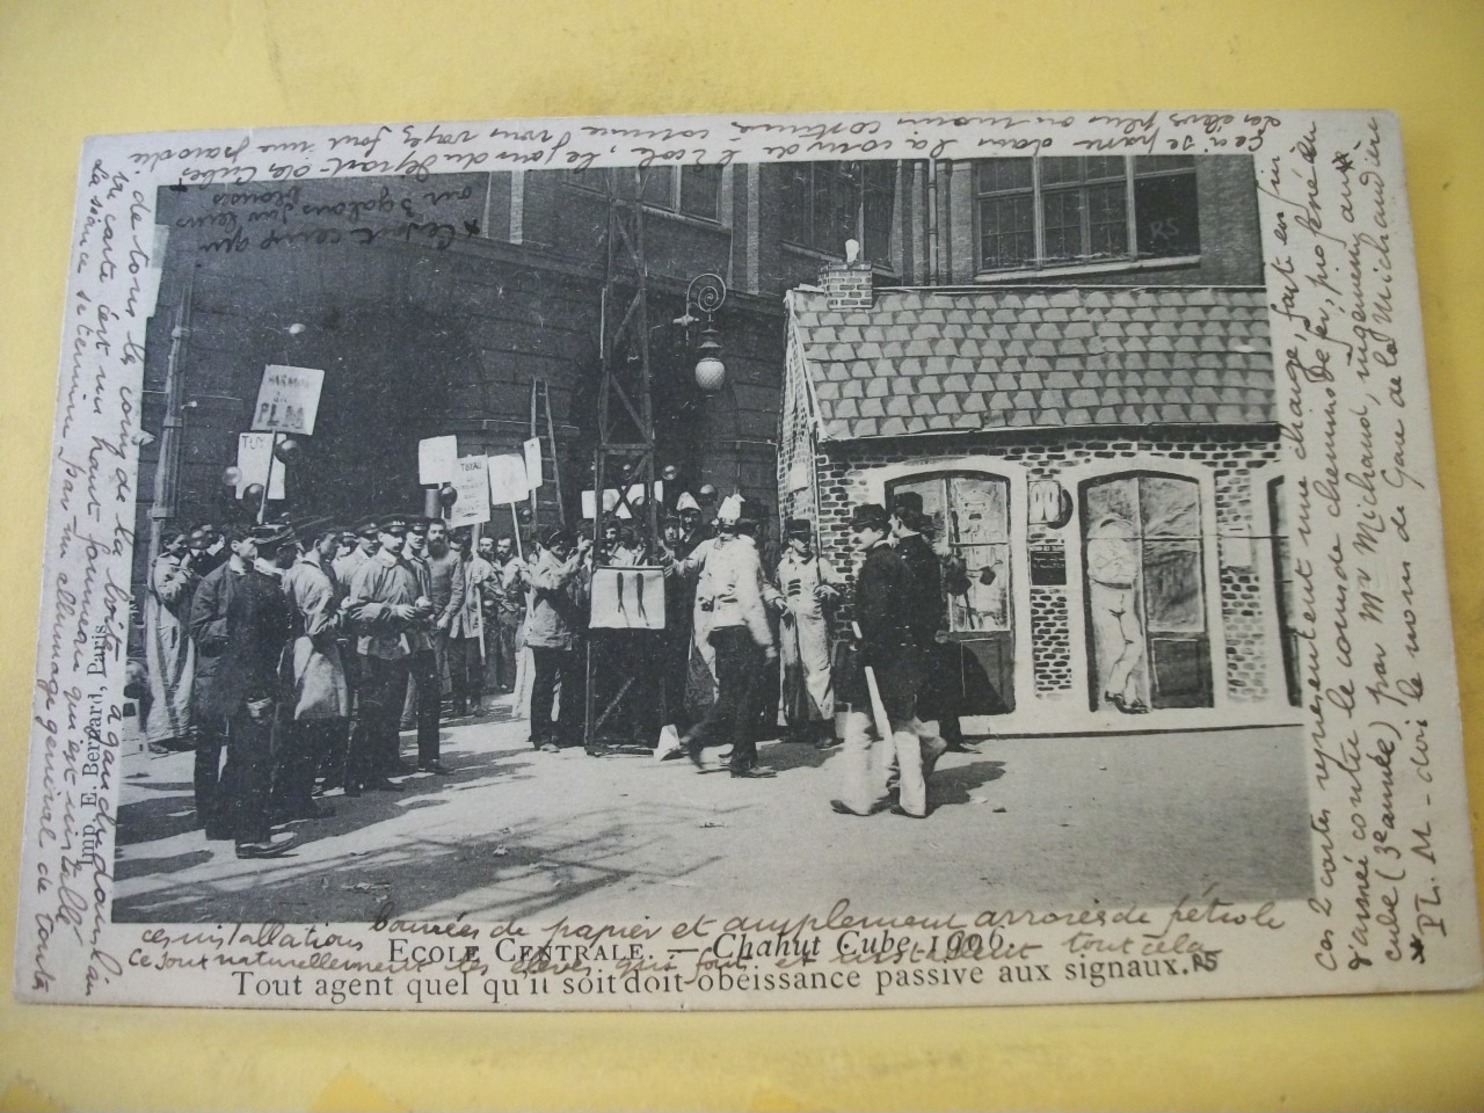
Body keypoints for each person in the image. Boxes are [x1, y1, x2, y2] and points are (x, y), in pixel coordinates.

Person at [188, 523, 298, 858]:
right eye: (292, 547)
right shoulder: (260, 588)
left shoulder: (257, 584)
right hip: (251, 685)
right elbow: (247, 646)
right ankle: (252, 837)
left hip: (241, 683)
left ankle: (221, 821)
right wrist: (255, 695)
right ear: (279, 551)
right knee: (255, 761)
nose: (296, 553)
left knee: (239, 756)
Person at [831, 503, 930, 819]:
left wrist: (864, 651)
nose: (854, 535)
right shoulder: (899, 562)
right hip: (900, 656)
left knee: (859, 729)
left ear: (877, 530)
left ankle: (857, 799)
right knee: (903, 728)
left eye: (860, 529)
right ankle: (915, 802)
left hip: (877, 659)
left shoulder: (876, 566)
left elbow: (875, 618)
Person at [672, 496, 777, 778]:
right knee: (748, 699)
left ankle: (698, 738)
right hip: (742, 630)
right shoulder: (744, 551)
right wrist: (766, 641)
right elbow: (750, 600)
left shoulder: (717, 550)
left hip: (721, 628)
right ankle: (742, 760)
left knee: (731, 696)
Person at [344, 517, 429, 794]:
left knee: (390, 714)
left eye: (401, 534)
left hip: (399, 648)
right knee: (371, 714)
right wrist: (392, 611)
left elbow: (410, 597)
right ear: (380, 537)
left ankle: (378, 771)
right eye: (393, 534)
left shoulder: (406, 566)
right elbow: (357, 609)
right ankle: (354, 775)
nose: (399, 539)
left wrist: (418, 604)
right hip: (374, 650)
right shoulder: (369, 569)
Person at [276, 522, 349, 821]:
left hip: (294, 653)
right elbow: (318, 628)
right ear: (319, 543)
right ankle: (300, 799)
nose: (339, 548)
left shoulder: (293, 572)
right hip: (315, 658)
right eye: (335, 541)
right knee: (312, 731)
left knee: (294, 732)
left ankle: (287, 796)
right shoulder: (318, 579)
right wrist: (344, 614)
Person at [768, 518, 839, 747]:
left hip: (814, 625)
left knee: (818, 673)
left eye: (808, 537)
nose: (806, 542)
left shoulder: (820, 564)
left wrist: (828, 591)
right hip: (789, 626)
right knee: (790, 674)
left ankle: (824, 728)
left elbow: (838, 589)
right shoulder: (783, 566)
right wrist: (778, 601)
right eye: (800, 538)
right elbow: (773, 588)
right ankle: (795, 725)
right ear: (791, 541)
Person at [525, 526, 592, 751]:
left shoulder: (571, 564)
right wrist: (578, 559)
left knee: (571, 687)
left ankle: (566, 733)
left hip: (568, 636)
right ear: (548, 545)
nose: (561, 545)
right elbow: (554, 583)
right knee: (544, 687)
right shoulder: (544, 564)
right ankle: (541, 737)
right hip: (547, 637)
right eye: (556, 542)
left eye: (565, 541)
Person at [1087, 511, 1148, 713]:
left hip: (1125, 594)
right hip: (1105, 593)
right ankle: (1129, 697)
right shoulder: (1095, 546)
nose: (1117, 532)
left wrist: (1122, 566)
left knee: (1136, 642)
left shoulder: (1122, 547)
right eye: (1113, 528)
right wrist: (1116, 566)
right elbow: (1100, 572)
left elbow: (1132, 570)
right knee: (1116, 647)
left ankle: (1114, 689)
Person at [143, 530, 198, 752]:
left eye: (187, 543)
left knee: (183, 680)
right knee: (166, 679)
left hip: (182, 628)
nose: (185, 547)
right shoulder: (163, 566)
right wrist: (184, 571)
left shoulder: (177, 565)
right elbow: (168, 595)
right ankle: (157, 735)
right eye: (180, 543)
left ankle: (177, 732)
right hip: (167, 629)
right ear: (168, 544)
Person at [448, 528, 491, 716]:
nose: (455, 553)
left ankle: (476, 702)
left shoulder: (481, 565)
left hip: (473, 623)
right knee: (455, 667)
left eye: (459, 550)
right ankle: (458, 704)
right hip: (453, 624)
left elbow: (494, 591)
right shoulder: (446, 562)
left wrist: (483, 584)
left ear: (466, 548)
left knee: (474, 664)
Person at [486, 536, 525, 695]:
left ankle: (510, 682)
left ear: (512, 548)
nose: (501, 550)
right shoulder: (494, 563)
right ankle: (492, 682)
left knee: (506, 647)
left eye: (505, 547)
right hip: (493, 609)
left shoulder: (518, 564)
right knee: (492, 646)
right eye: (499, 546)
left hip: (509, 609)